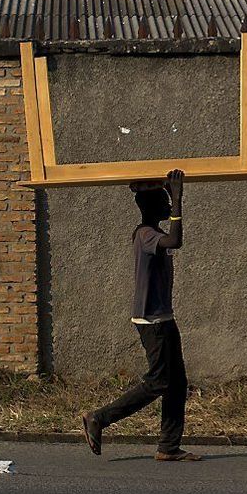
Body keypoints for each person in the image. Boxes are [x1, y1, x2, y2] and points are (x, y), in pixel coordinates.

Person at [82, 169, 201, 462]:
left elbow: (171, 240)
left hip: (164, 318)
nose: (165, 201)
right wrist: (178, 201)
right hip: (152, 322)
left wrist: (173, 200)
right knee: (158, 382)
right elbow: (176, 241)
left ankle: (168, 446)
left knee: (177, 383)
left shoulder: (152, 234)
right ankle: (99, 418)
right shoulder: (146, 234)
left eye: (166, 197)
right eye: (161, 198)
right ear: (149, 207)